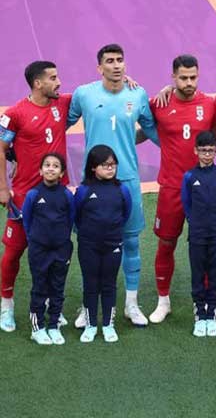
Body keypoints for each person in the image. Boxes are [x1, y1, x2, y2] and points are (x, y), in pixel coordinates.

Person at [68, 44, 159, 328]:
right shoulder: (84, 94)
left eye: (120, 60)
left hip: (128, 181)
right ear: (100, 67)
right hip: (92, 184)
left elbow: (155, 130)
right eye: (110, 61)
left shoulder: (138, 93)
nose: (117, 65)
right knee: (89, 245)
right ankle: (88, 306)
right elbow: (59, 120)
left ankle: (131, 304)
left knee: (130, 242)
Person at [147, 55, 216, 324]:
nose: (189, 82)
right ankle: (163, 301)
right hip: (171, 186)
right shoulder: (158, 103)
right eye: (183, 78)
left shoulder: (209, 103)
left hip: (204, 189)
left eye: (193, 77)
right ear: (173, 77)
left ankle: (208, 300)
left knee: (206, 246)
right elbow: (139, 124)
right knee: (166, 243)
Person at [0, 61, 72, 332]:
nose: (59, 82)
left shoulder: (63, 104)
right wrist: (3, 188)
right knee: (14, 252)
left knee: (55, 254)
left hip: (57, 197)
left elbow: (98, 92)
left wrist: (127, 80)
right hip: (25, 196)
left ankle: (52, 305)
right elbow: (1, 148)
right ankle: (6, 307)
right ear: (37, 83)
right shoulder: (15, 113)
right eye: (53, 78)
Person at [74, 145, 132, 343]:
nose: (110, 168)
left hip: (113, 243)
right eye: (105, 165)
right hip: (88, 245)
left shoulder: (122, 190)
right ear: (93, 167)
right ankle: (90, 326)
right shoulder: (83, 191)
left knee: (109, 284)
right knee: (90, 285)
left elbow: (125, 214)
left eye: (113, 165)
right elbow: (77, 216)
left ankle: (108, 325)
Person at [181, 131, 216, 338]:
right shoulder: (189, 177)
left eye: (211, 151)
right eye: (203, 151)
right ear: (196, 151)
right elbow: (186, 204)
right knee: (197, 272)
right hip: (197, 233)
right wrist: (194, 221)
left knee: (214, 272)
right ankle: (199, 314)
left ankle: (211, 313)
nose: (206, 155)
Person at [21, 153, 75, 345]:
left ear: (62, 172)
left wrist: (60, 239)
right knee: (39, 288)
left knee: (57, 288)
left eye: (56, 166)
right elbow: (26, 221)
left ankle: (53, 325)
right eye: (47, 165)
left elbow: (70, 219)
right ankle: (38, 328)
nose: (51, 168)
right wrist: (36, 240)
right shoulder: (33, 195)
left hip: (61, 249)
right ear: (40, 170)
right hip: (39, 250)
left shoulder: (67, 195)